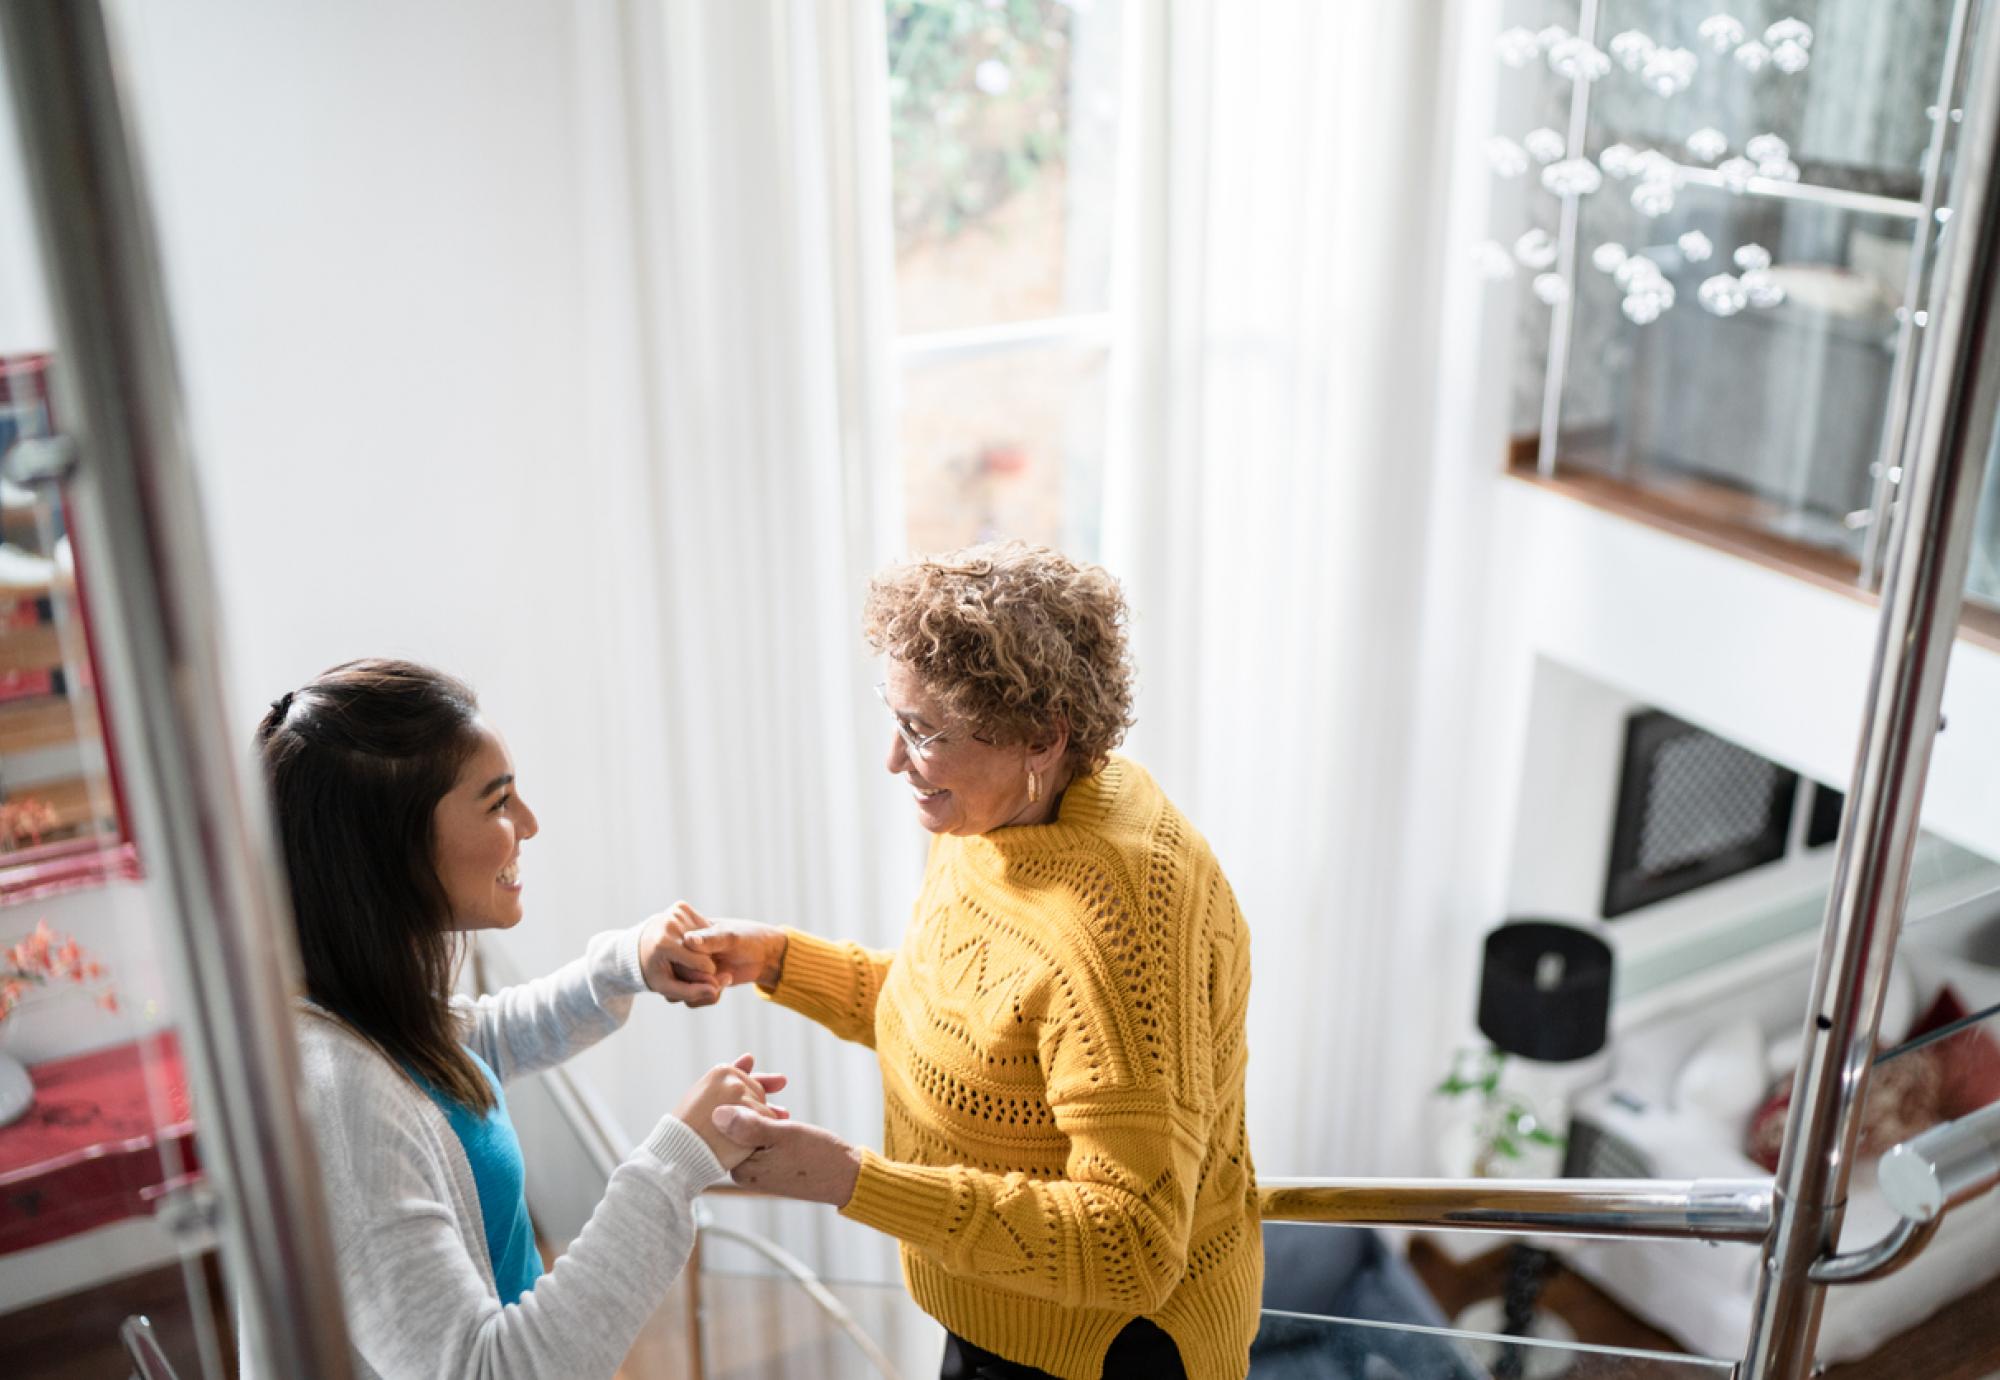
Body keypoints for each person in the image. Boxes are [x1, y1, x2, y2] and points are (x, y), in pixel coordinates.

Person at [660, 543, 1262, 1380]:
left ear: (1041, 737)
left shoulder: (1120, 924)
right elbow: (964, 1021)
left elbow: (1132, 1242)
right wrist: (777, 961)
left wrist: (853, 1182)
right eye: (894, 717)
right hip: (1002, 1304)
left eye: (924, 732)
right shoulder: (1000, 819)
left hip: (1102, 1351)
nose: (895, 761)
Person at [253, 658, 784, 1379]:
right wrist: (674, 1163)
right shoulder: (343, 1101)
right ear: (392, 847)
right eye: (499, 802)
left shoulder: (363, 1015)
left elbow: (477, 1043)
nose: (529, 824)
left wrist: (628, 961)